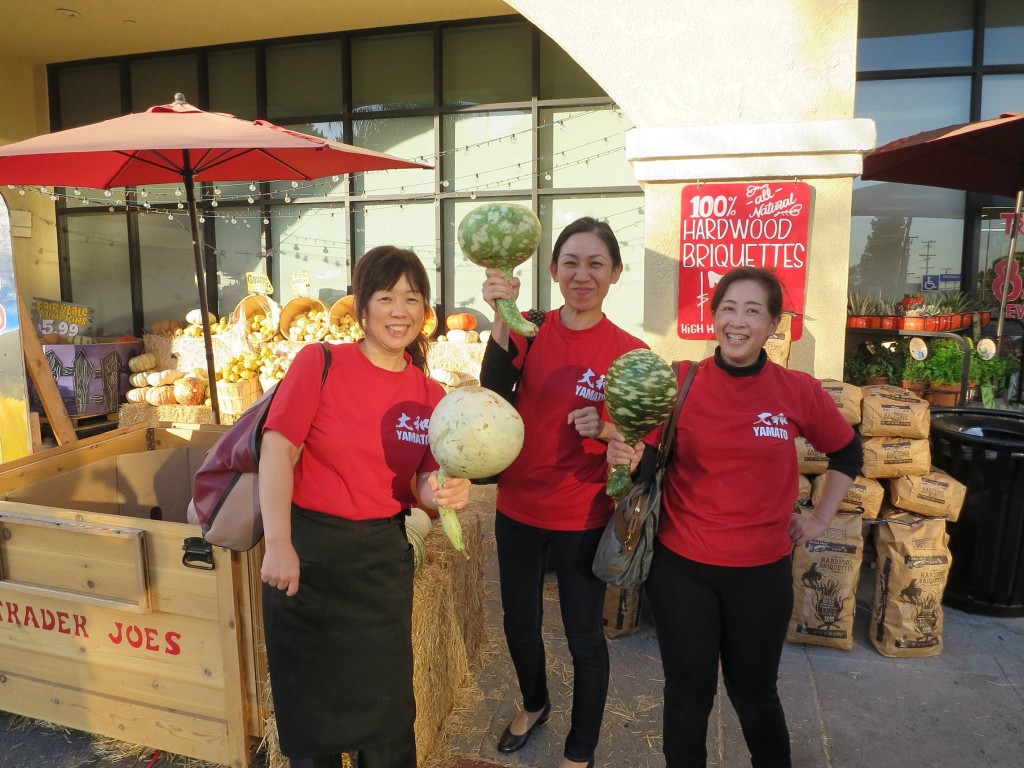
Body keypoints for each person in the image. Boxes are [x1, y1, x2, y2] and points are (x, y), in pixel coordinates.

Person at [606, 265, 862, 768]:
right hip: (682, 570)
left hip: (761, 575)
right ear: (712, 317)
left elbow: (849, 454)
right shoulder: (681, 381)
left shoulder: (796, 390)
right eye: (728, 308)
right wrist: (626, 456)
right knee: (687, 695)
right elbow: (650, 466)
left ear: (773, 325)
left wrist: (818, 518)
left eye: (752, 311)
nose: (738, 322)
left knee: (754, 695)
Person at [258, 246, 471, 768]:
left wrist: (444, 492)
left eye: (411, 298)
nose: (399, 311)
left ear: (426, 312)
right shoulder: (322, 362)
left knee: (387, 722)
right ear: (362, 307)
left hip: (379, 562)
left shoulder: (431, 394)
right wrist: (280, 544)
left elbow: (423, 479)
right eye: (385, 297)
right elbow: (277, 450)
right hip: (308, 559)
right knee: (313, 728)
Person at [479, 217, 646, 768]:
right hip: (519, 506)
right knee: (518, 621)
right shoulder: (528, 328)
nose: (582, 274)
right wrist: (499, 316)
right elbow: (492, 393)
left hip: (584, 513)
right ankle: (534, 703)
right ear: (552, 270)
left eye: (596, 263)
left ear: (615, 273)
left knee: (583, 638)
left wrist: (608, 432)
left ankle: (581, 749)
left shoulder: (630, 353)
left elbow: (645, 443)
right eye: (571, 262)